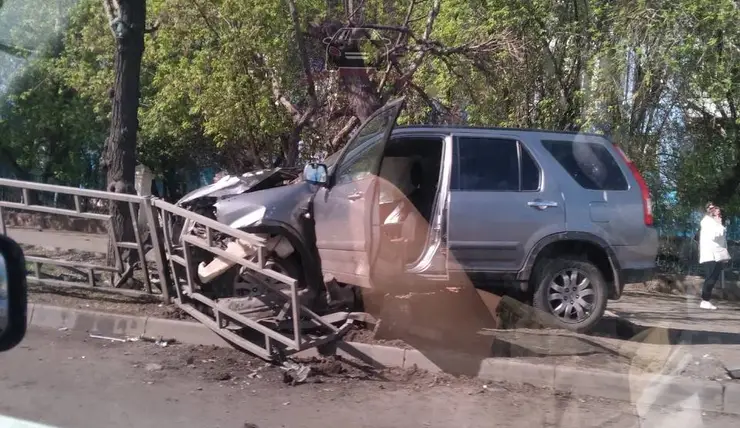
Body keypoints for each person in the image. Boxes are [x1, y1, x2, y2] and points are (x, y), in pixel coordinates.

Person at [698, 202, 730, 310]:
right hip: (711, 254)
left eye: (716, 208)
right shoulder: (706, 221)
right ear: (708, 210)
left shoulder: (713, 221)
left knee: (713, 277)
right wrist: (719, 224)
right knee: (711, 277)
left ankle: (706, 300)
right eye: (712, 208)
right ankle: (705, 300)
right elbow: (714, 236)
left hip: (717, 254)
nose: (716, 210)